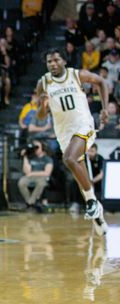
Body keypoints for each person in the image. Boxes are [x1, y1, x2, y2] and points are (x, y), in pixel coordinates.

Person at [36, 48, 109, 235]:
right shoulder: (43, 83)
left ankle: (92, 203)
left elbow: (101, 82)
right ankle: (97, 213)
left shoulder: (76, 75)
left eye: (56, 60)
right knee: (79, 172)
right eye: (49, 61)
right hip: (64, 133)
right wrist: (43, 105)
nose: (52, 64)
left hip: (83, 125)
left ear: (64, 61)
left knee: (69, 158)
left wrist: (105, 109)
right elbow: (42, 117)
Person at [17, 141, 54, 211]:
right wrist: (25, 156)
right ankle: (30, 202)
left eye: (37, 147)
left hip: (41, 177)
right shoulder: (31, 157)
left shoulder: (47, 159)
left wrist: (33, 173)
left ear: (42, 148)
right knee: (21, 182)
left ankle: (30, 203)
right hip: (31, 177)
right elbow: (27, 172)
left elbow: (47, 173)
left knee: (41, 183)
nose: (35, 149)